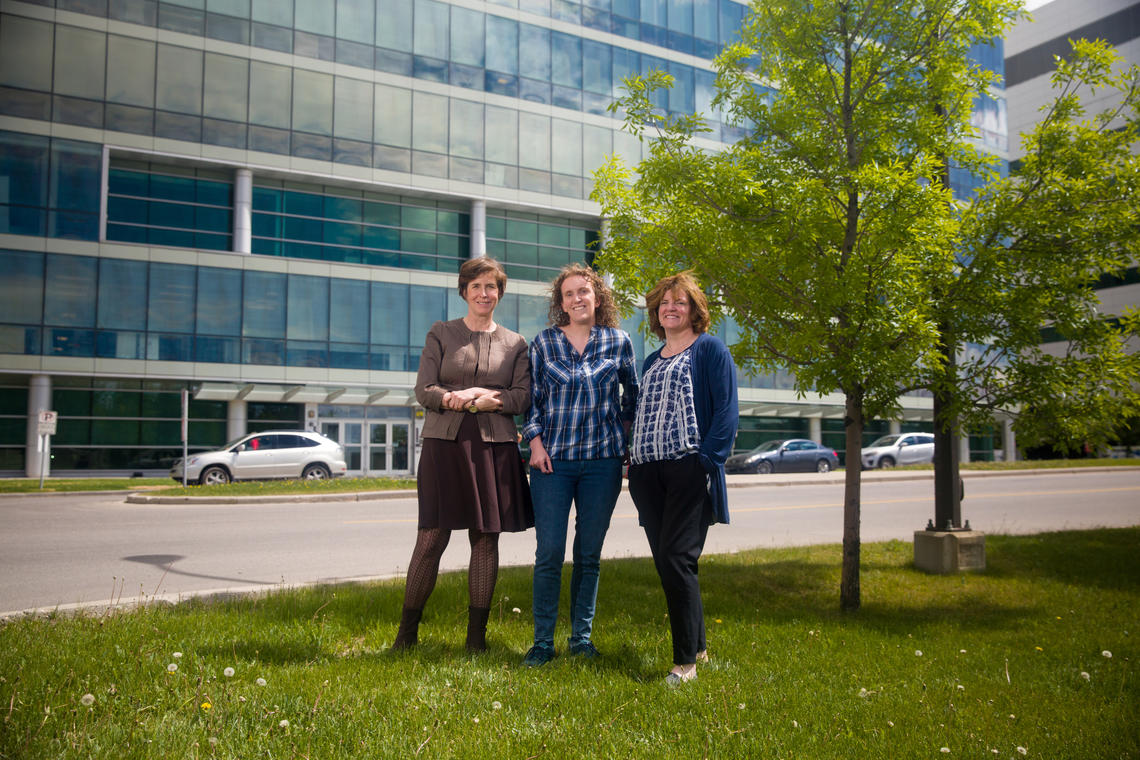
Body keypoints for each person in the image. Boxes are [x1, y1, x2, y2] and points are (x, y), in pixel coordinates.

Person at [392, 257, 533, 653]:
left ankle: (476, 641)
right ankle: (406, 636)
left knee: (485, 539)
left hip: (495, 448)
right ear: (464, 292)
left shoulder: (516, 343)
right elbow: (424, 389)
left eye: (491, 287)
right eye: (476, 287)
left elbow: (523, 396)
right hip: (444, 445)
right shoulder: (441, 332)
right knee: (432, 536)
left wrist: (491, 400)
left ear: (500, 293)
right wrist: (455, 398)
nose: (484, 294)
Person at [522, 263, 639, 666]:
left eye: (584, 292)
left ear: (597, 297)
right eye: (569, 294)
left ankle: (581, 639)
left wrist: (622, 436)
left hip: (602, 464)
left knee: (588, 554)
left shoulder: (618, 341)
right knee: (549, 553)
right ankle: (542, 643)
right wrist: (535, 444)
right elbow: (531, 401)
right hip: (552, 463)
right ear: (561, 303)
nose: (577, 299)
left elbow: (632, 396)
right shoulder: (543, 344)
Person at [627, 271, 738, 685]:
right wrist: (632, 465)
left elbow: (726, 411)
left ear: (694, 309)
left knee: (677, 558)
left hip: (688, 466)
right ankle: (700, 645)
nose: (671, 308)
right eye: (664, 303)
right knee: (669, 563)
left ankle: (684, 664)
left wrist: (705, 462)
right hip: (646, 472)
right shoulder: (651, 360)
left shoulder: (709, 350)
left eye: (680, 302)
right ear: (656, 312)